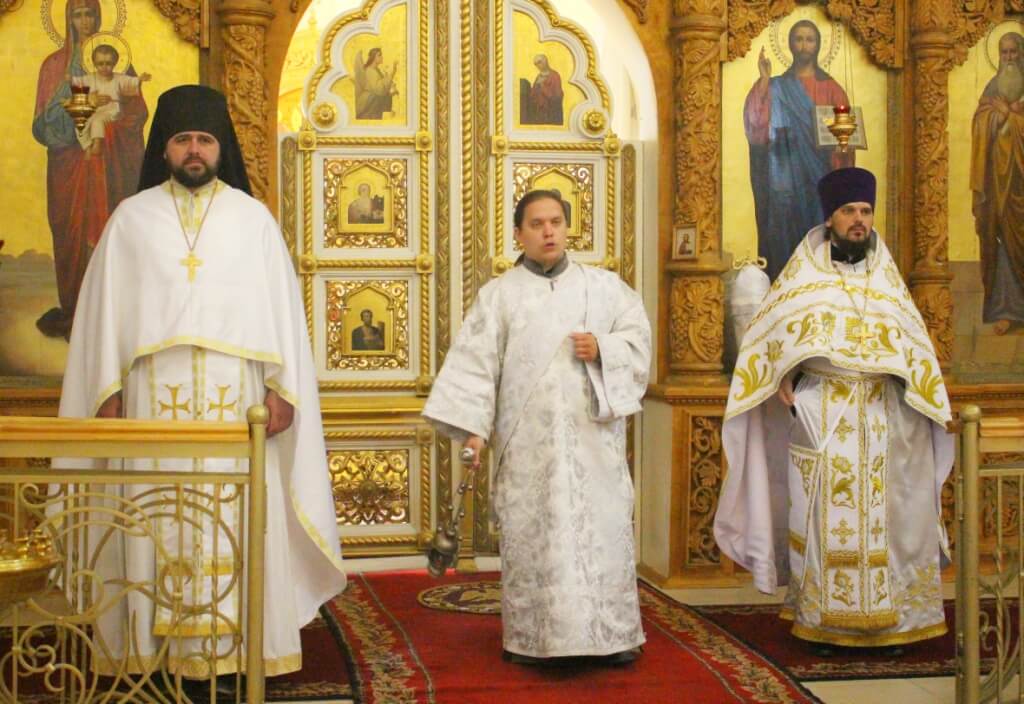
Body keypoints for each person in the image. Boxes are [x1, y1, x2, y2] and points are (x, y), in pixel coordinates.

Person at [58, 85, 346, 682]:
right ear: (164, 149)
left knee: (237, 522)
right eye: (183, 140)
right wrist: (107, 394)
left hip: (237, 407)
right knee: (148, 519)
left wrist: (283, 390)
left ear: (222, 148)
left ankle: (235, 658)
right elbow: (102, 317)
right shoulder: (130, 220)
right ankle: (151, 657)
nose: (194, 150)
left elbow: (283, 316)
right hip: (150, 408)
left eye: (205, 140)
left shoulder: (253, 220)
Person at [714, 168, 954, 648]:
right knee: (822, 522)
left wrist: (919, 393)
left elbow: (915, 349)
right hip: (822, 413)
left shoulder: (888, 281)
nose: (859, 220)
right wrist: (782, 372)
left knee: (895, 521)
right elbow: (769, 337)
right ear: (830, 218)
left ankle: (898, 625)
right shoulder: (802, 277)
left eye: (865, 211)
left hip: (887, 418)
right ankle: (822, 622)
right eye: (849, 211)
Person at [423, 190, 651, 665]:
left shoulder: (605, 288)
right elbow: (476, 365)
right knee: (538, 536)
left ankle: (610, 638)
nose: (549, 231)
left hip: (593, 442)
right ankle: (535, 640)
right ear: (519, 233)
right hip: (529, 445)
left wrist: (604, 348)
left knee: (599, 533)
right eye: (537, 224)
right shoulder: (499, 296)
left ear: (566, 227)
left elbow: (637, 341)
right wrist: (474, 431)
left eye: (556, 222)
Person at [32, 0, 148, 339]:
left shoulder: (120, 61)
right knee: (69, 232)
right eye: (78, 14)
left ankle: (109, 314)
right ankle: (74, 310)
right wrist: (83, 105)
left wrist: (108, 126)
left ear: (99, 17)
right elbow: (43, 124)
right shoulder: (54, 66)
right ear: (68, 19)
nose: (84, 21)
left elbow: (137, 114)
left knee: (109, 229)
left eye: (90, 14)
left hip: (109, 163)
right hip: (68, 165)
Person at [744, 19, 854, 282]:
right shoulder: (775, 86)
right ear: (791, 44)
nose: (804, 45)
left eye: (810, 39)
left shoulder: (832, 89)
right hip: (782, 179)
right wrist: (764, 80)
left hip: (819, 178)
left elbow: (846, 140)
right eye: (799, 39)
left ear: (818, 45)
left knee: (818, 231)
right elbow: (756, 127)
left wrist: (840, 148)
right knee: (783, 233)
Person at [971, 31, 1024, 335]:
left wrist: (1014, 120)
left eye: (1013, 52)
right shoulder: (993, 88)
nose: (1008, 58)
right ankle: (1006, 309)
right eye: (1004, 52)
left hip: (1021, 187)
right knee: (1000, 241)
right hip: (997, 186)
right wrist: (997, 116)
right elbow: (980, 122)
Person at [71, 44, 152, 156]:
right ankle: (87, 146)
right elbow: (78, 83)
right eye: (100, 64)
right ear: (94, 64)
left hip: (112, 110)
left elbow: (130, 82)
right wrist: (70, 79)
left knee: (97, 120)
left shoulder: (119, 78)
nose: (104, 67)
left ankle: (97, 145)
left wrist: (140, 79)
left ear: (114, 63)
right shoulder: (90, 78)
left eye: (108, 63)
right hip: (94, 110)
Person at [354, 48, 398, 119]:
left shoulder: (376, 70)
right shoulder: (370, 71)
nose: (382, 57)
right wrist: (391, 74)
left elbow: (383, 85)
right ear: (373, 57)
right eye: (379, 55)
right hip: (369, 104)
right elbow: (379, 89)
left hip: (375, 102)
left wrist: (392, 87)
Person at [521, 54, 564, 125]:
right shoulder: (539, 76)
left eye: (539, 62)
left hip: (550, 112)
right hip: (539, 111)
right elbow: (533, 93)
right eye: (536, 64)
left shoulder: (554, 76)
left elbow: (557, 96)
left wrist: (542, 86)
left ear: (545, 62)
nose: (538, 65)